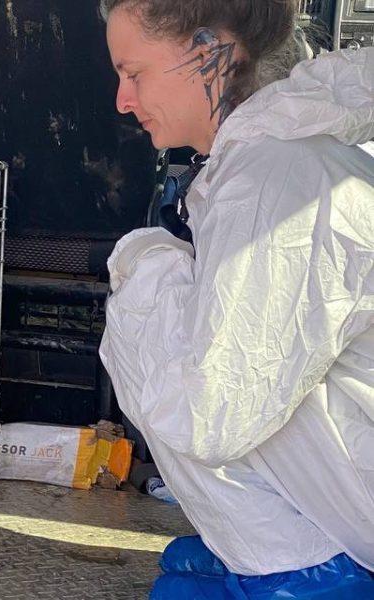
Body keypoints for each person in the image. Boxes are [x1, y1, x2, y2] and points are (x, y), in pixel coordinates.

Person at [97, 0, 374, 597]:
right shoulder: (264, 159)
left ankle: (299, 564)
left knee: (152, 311)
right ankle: (270, 549)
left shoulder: (275, 178)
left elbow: (210, 412)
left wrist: (143, 263)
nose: (122, 100)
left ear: (207, 51)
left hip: (360, 515)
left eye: (134, 73)